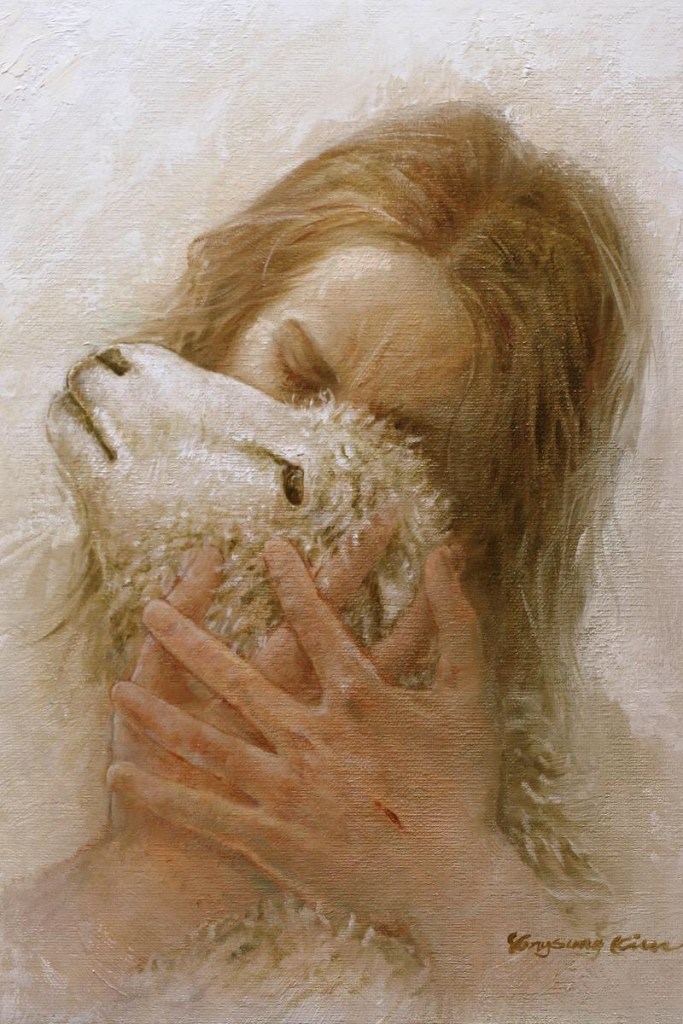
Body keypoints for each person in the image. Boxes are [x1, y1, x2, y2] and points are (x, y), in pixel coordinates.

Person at [2, 103, 640, 1017]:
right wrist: (148, 874)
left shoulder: (593, 772)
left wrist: (456, 879)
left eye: (405, 446)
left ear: (478, 523)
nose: (329, 455)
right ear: (231, 318)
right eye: (297, 375)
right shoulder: (23, 632)